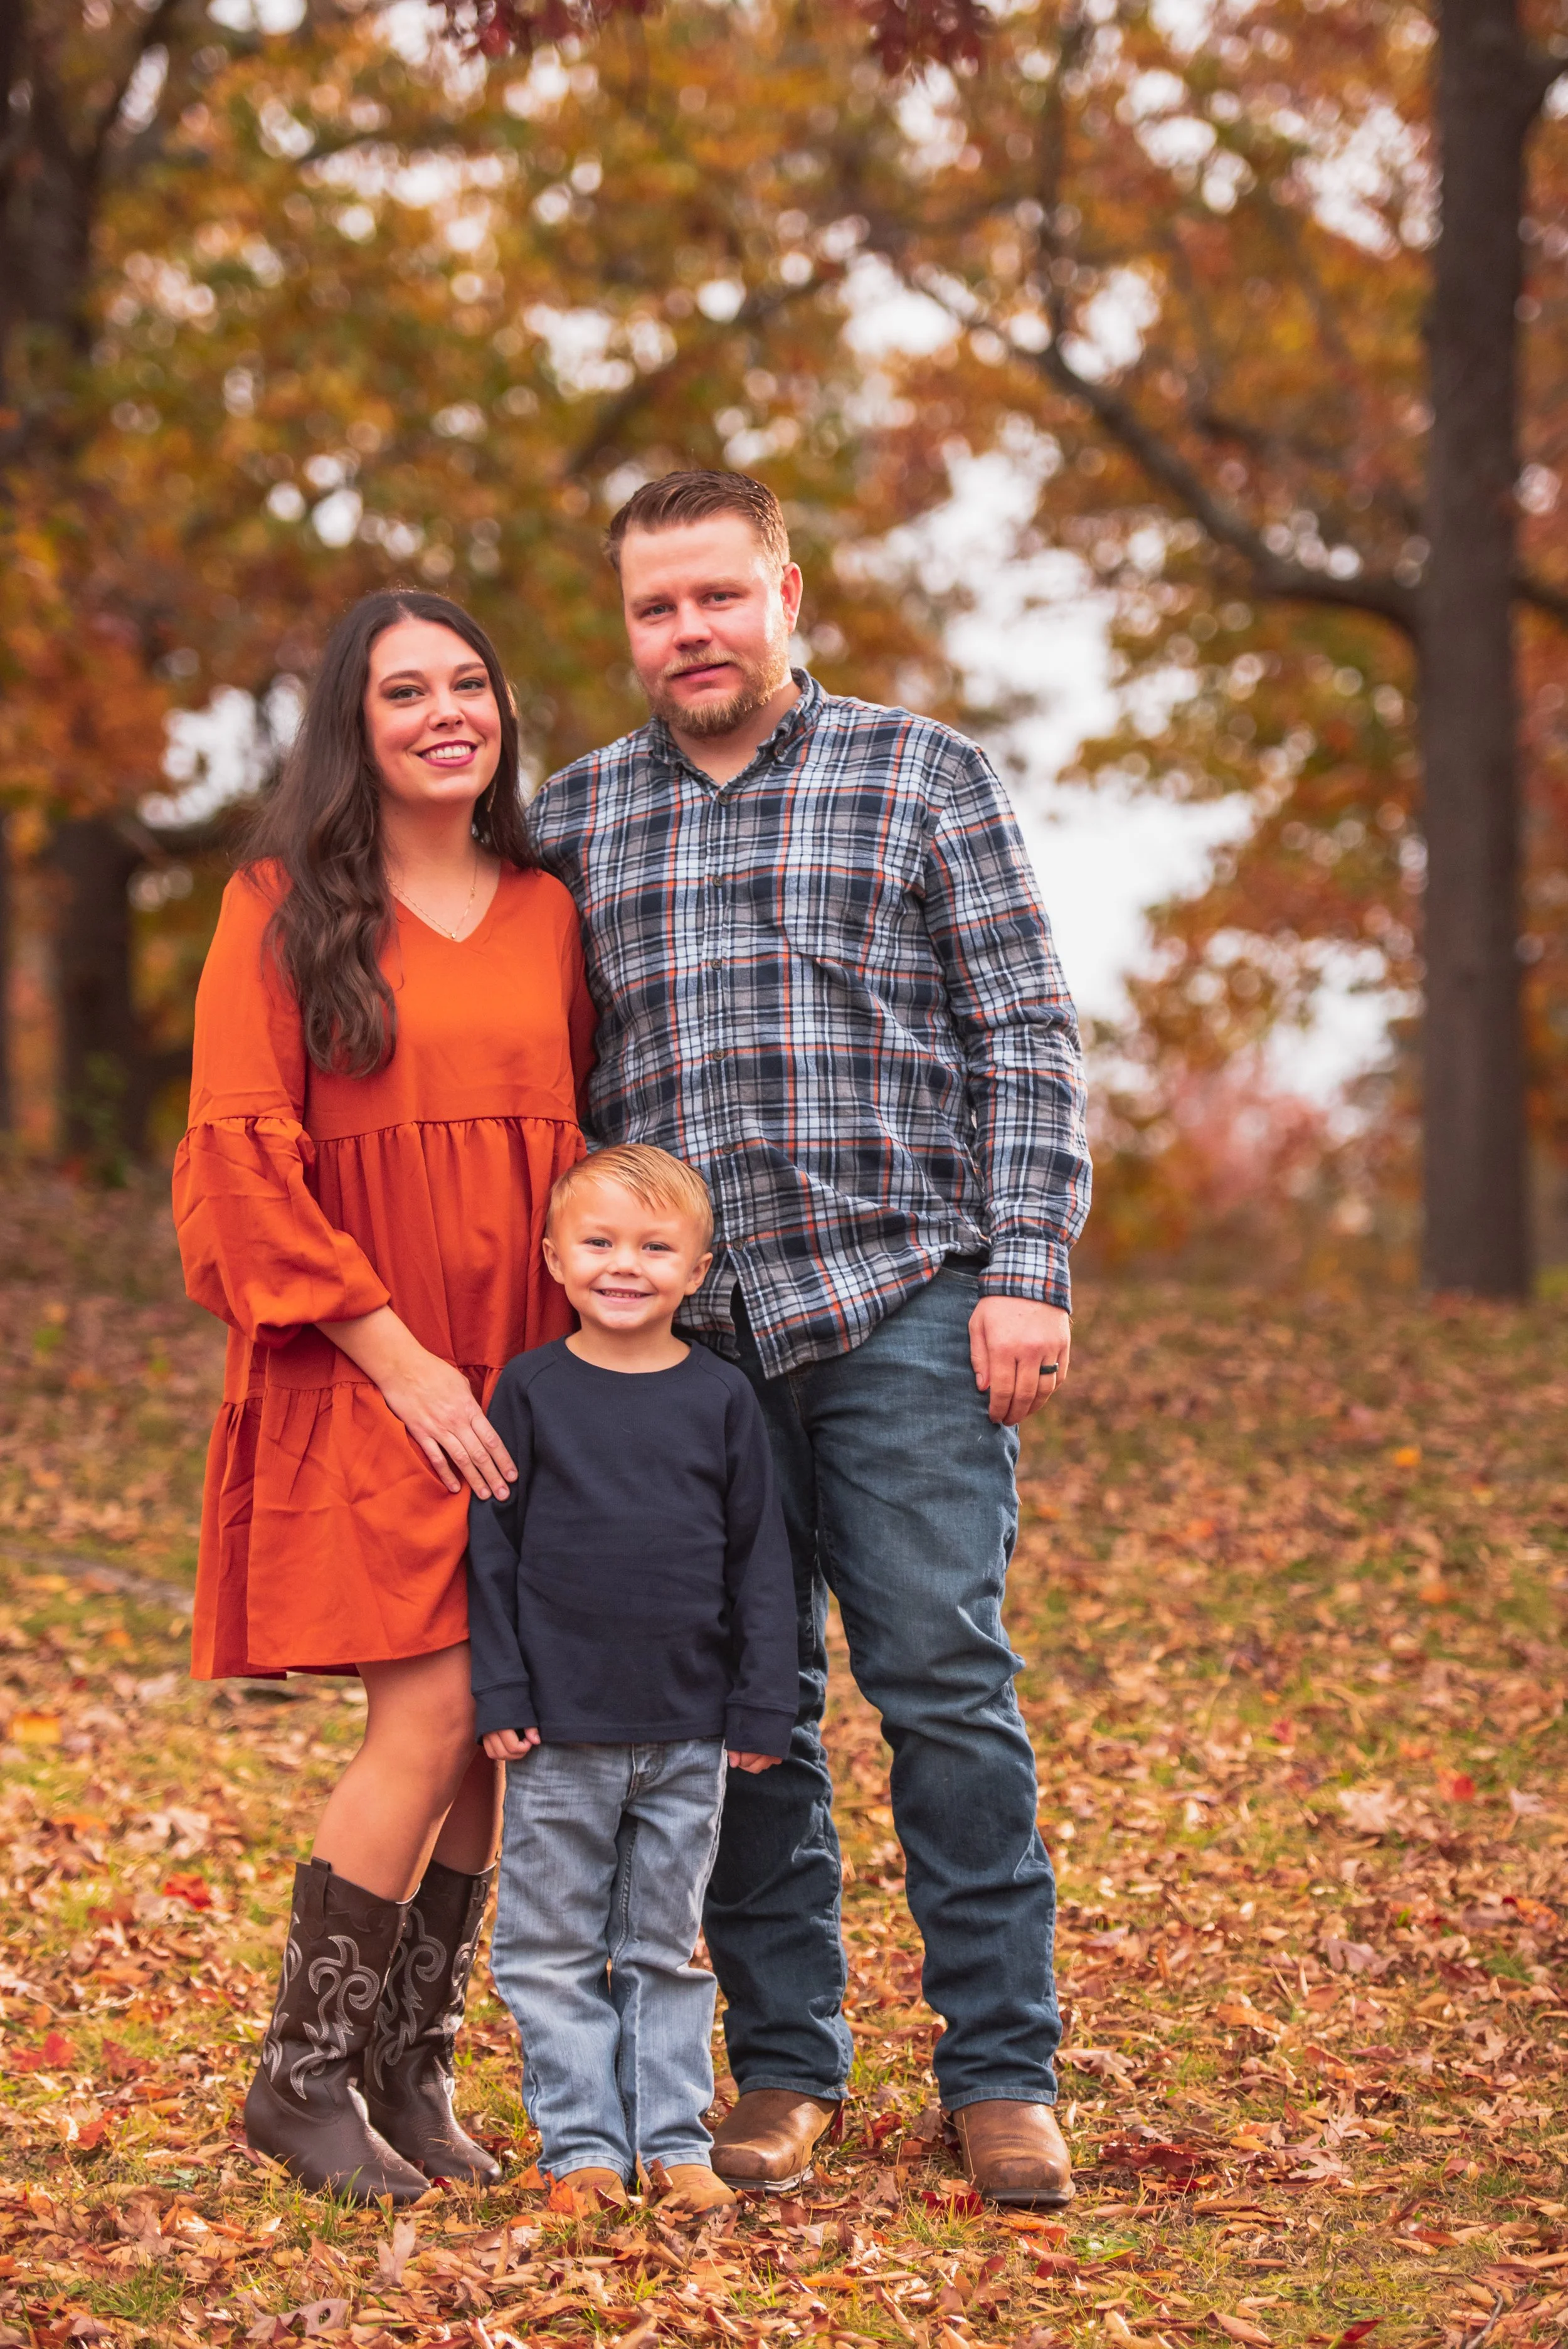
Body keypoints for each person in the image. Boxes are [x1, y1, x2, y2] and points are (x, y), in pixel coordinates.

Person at [527, 471, 1091, 2210]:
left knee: (937, 1679)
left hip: (905, 1300)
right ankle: (783, 2069)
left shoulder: (919, 775)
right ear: (627, 627)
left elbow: (1023, 1029)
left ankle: (1001, 2072)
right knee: (738, 1709)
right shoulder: (573, 821)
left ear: (784, 592)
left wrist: (1026, 1268)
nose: (686, 632)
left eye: (715, 596)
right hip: (686, 1351)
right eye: (653, 608)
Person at [173, 588, 595, 2205]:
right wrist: (397, 1354)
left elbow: (564, 1157)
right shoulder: (281, 908)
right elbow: (237, 1165)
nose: (444, 712)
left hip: (523, 1375)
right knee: (423, 1709)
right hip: (368, 1359)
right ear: (354, 723)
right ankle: (299, 2077)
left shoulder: (553, 912)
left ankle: (408, 2076)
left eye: (469, 683)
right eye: (404, 689)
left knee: (496, 1725)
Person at [467, 1144, 797, 2214]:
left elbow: (761, 1562)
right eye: (601, 1242)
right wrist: (504, 1693)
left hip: (689, 1733)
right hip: (560, 1731)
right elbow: (494, 1554)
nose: (626, 1265)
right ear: (555, 1256)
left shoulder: (722, 1398)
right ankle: (580, 2153)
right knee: (552, 1951)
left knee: (661, 1949)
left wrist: (760, 1702)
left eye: (656, 1247)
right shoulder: (531, 1390)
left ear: (697, 1271)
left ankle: (672, 2143)